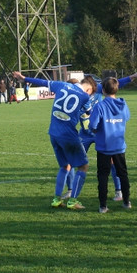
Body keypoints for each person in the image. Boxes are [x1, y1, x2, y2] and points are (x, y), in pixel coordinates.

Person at [14, 70, 97, 210]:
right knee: (83, 166)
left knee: (65, 166)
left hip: (53, 133)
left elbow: (42, 82)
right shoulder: (85, 96)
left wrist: (24, 78)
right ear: (88, 88)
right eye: (90, 93)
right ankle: (73, 201)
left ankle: (57, 199)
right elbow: (90, 114)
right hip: (69, 135)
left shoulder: (61, 85)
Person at [89, 77, 132, 212]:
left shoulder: (100, 106)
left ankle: (103, 206)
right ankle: (126, 201)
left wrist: (98, 129)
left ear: (103, 90)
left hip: (104, 146)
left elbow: (93, 125)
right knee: (123, 174)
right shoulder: (123, 104)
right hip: (119, 145)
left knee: (102, 176)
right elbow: (127, 117)